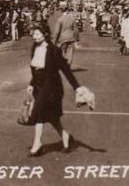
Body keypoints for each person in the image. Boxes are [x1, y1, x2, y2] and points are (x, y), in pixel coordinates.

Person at [25, 25, 86, 156]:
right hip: (39, 86)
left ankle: (37, 143)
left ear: (45, 34)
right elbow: (36, 69)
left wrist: (77, 87)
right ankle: (65, 136)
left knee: (38, 113)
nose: (34, 37)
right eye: (33, 34)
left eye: (37, 34)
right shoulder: (34, 47)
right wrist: (31, 84)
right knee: (52, 117)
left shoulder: (54, 50)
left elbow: (66, 70)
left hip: (52, 88)